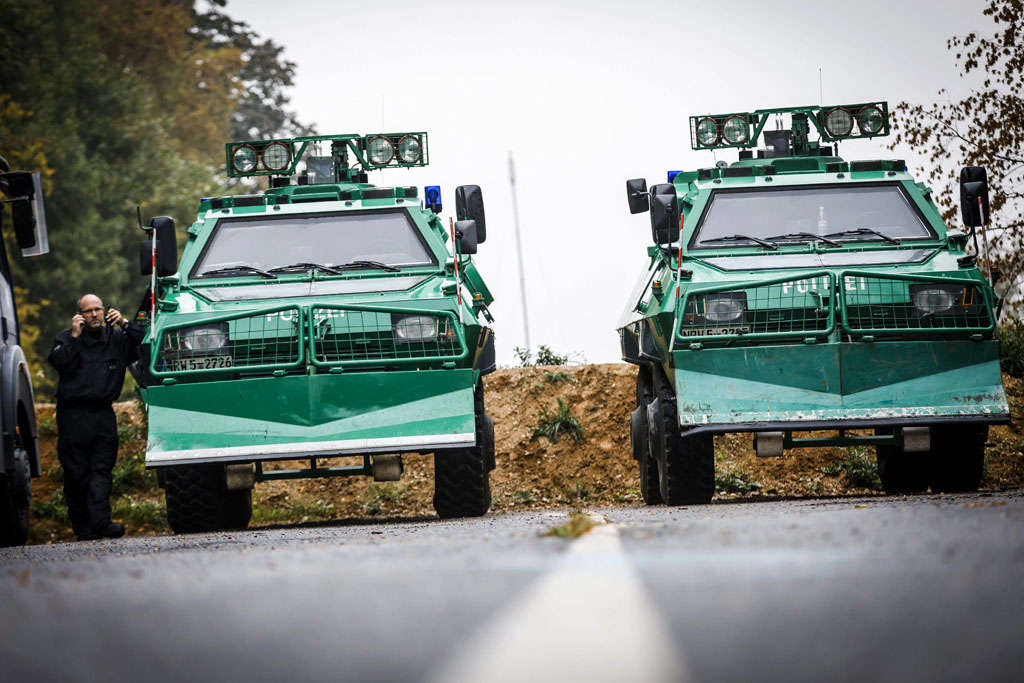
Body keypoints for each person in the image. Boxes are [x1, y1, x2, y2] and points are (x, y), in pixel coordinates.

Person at [47, 294, 143, 541]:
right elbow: (60, 363)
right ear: (79, 315)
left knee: (101, 470)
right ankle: (83, 528)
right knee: (76, 473)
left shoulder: (117, 338)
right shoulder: (67, 338)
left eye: (97, 309)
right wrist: (74, 335)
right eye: (87, 311)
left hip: (102, 413)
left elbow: (145, 341)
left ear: (104, 311)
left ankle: (101, 523)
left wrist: (124, 322)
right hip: (73, 414)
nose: (93, 315)